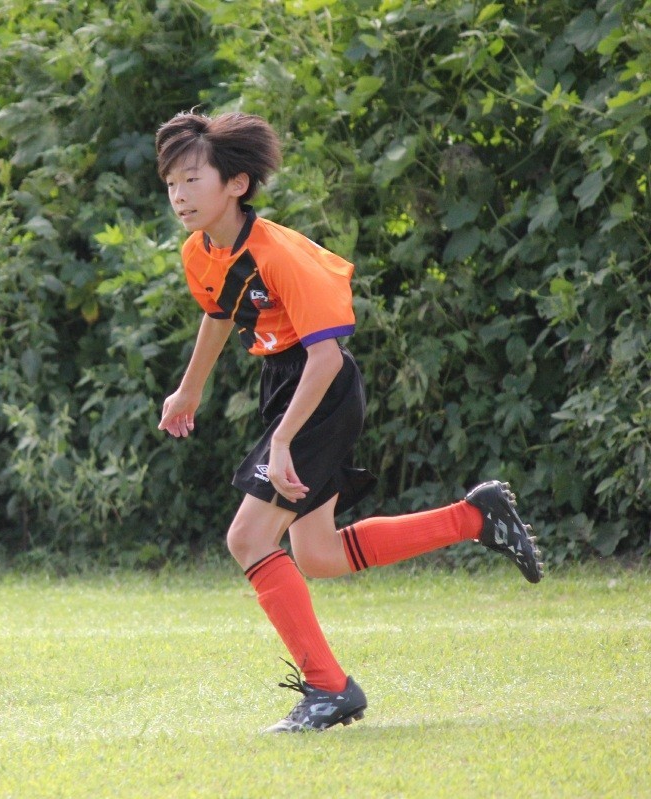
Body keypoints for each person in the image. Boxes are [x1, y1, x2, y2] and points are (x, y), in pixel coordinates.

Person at [154, 110, 544, 733]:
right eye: (171, 182)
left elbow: (327, 358)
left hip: (323, 389)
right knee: (319, 554)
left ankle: (329, 689)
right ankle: (476, 518)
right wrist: (188, 390)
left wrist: (283, 440)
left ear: (237, 184)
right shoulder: (200, 251)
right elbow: (219, 314)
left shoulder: (279, 253)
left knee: (248, 539)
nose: (179, 194)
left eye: (192, 179)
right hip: (285, 384)